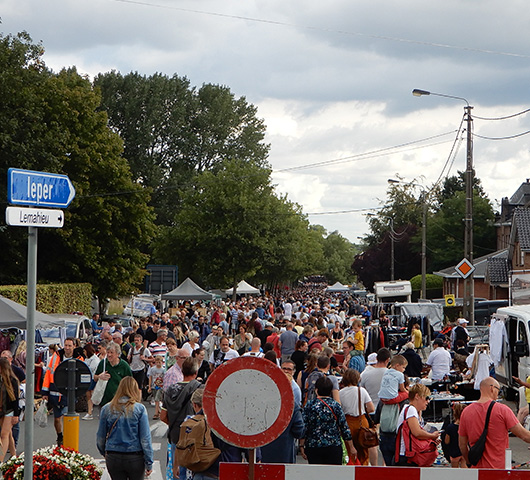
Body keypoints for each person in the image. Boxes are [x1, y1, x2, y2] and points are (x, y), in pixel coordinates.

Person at [459, 377, 530, 469]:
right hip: (498, 470)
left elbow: (462, 445)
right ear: (492, 388)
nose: (498, 394)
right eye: (498, 390)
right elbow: (525, 436)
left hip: (477, 470)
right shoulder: (502, 410)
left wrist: (469, 461)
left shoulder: (466, 412)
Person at [97, 376, 153, 479]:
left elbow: (100, 438)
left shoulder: (107, 408)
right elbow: (145, 439)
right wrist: (149, 461)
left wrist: (105, 452)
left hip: (113, 455)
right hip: (134, 456)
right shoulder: (139, 409)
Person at [161, 357, 202, 480]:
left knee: (177, 472)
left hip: (176, 435)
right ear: (196, 373)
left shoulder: (170, 390)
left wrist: (174, 423)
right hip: (195, 438)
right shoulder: (199, 389)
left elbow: (163, 416)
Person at [300, 376, 356, 464]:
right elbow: (344, 428)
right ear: (330, 390)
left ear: (316, 390)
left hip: (314, 446)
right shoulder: (336, 406)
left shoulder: (310, 405)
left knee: (316, 474)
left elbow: (304, 427)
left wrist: (301, 445)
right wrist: (351, 447)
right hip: (333, 446)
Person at [41, 337, 84, 445]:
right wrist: (45, 392)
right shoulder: (56, 356)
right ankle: (60, 436)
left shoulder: (79, 358)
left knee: (67, 416)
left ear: (74, 346)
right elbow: (48, 374)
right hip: (55, 392)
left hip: (69, 393)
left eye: (70, 345)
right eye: (66, 345)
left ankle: (68, 439)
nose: (67, 348)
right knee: (57, 419)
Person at [395, 383, 440, 466]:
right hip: (407, 455)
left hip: (408, 454)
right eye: (426, 398)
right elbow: (417, 432)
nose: (428, 401)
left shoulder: (413, 411)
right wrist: (432, 436)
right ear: (417, 396)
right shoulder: (411, 410)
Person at [340, 368, 375, 465]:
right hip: (361, 421)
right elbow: (371, 408)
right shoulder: (361, 391)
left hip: (347, 422)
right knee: (363, 450)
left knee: (349, 450)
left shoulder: (340, 393)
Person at [94, 342, 133, 407]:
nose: (109, 355)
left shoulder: (124, 366)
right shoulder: (103, 363)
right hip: (104, 400)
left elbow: (130, 382)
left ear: (118, 354)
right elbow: (94, 378)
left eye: (112, 352)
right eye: (108, 352)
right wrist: (99, 376)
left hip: (119, 400)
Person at [0, 358, 20, 461]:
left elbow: (15, 399)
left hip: (9, 410)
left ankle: (1, 459)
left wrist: (16, 414)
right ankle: (14, 456)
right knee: (9, 434)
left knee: (4, 434)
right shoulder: (1, 380)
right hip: (2, 410)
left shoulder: (12, 381)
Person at [444, 402, 467, 468]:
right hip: (464, 452)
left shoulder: (450, 427)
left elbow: (447, 441)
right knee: (465, 471)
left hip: (454, 453)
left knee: (455, 472)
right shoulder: (466, 427)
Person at [82, 344, 100, 420]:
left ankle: (90, 412)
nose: (84, 353)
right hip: (87, 379)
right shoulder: (87, 359)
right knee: (89, 396)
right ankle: (90, 411)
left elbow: (91, 369)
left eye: (84, 351)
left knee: (90, 396)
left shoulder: (95, 359)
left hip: (93, 379)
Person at [147, 356, 165, 420]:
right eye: (157, 362)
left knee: (157, 399)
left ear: (162, 362)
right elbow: (150, 377)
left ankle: (156, 413)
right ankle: (159, 411)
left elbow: (165, 378)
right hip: (154, 386)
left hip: (161, 386)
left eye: (159, 362)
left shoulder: (163, 370)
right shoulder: (152, 369)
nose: (158, 364)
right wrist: (149, 386)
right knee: (155, 399)